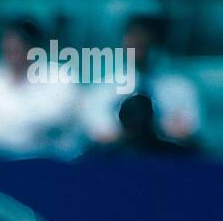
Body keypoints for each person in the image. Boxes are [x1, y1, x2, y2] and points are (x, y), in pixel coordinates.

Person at [0, 18, 81, 156]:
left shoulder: (62, 78)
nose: (14, 54)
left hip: (51, 165)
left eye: (19, 47)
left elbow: (59, 120)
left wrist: (7, 127)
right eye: (9, 48)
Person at [81, 15, 201, 149]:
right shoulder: (102, 90)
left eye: (146, 35)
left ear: (157, 41)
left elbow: (188, 132)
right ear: (123, 41)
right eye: (133, 36)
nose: (140, 41)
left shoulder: (182, 88)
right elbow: (100, 134)